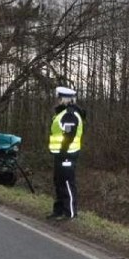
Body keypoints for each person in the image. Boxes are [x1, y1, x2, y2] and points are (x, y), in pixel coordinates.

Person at [47, 86, 85, 220]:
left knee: (67, 182)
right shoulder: (62, 113)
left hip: (67, 154)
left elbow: (69, 135)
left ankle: (70, 213)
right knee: (58, 181)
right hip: (61, 154)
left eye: (58, 98)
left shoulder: (70, 114)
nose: (56, 101)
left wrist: (63, 151)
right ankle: (59, 210)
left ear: (64, 99)